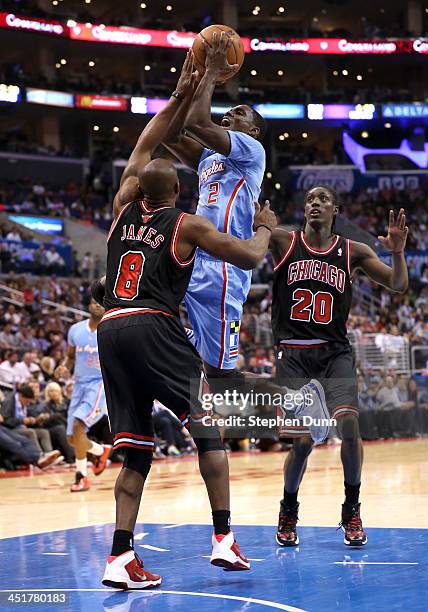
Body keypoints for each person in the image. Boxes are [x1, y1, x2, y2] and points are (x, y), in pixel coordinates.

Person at [93, 53, 277, 590]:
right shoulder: (189, 214)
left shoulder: (128, 201)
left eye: (239, 114)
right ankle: (223, 539)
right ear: (172, 190)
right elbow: (185, 132)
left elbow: (162, 139)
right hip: (174, 298)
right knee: (206, 421)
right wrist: (202, 81)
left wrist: (193, 84)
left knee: (141, 444)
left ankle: (120, 556)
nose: (230, 118)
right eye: (230, 112)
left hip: (143, 312)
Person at [269, 186, 409, 547]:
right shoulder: (284, 241)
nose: (315, 203)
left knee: (349, 424)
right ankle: (288, 509)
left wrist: (397, 252)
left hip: (334, 353)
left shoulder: (353, 252)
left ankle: (351, 509)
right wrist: (258, 226)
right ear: (304, 210)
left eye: (323, 200)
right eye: (310, 200)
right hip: (294, 355)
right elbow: (244, 249)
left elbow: (398, 284)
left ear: (336, 210)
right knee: (301, 442)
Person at [162, 34, 267, 381]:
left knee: (220, 377)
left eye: (238, 113)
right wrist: (186, 90)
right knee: (151, 317)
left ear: (251, 130)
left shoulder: (252, 151)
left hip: (225, 264)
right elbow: (171, 136)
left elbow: (196, 124)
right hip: (194, 255)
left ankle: (299, 401)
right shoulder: (210, 156)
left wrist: (211, 73)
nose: (229, 114)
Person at [54, 299, 111, 492]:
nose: (98, 305)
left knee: (79, 426)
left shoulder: (110, 330)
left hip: (99, 386)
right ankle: (100, 451)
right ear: (89, 304)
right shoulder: (75, 330)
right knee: (72, 438)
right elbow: (70, 357)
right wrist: (64, 367)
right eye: (95, 301)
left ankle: (81, 477)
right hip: (78, 385)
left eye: (102, 302)